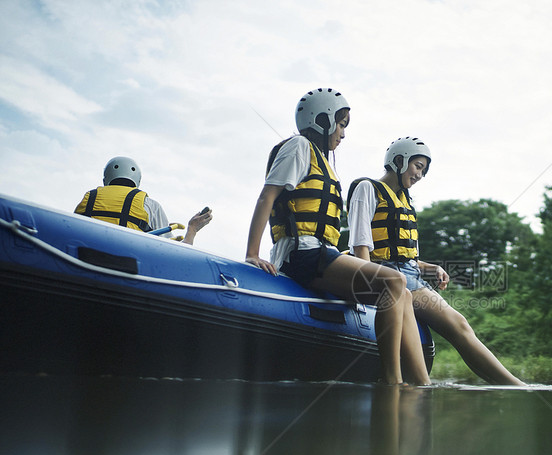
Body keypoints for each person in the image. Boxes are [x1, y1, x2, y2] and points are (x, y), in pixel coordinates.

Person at [244, 89, 430, 386]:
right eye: (341, 123)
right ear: (321, 120)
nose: (343, 133)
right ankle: (393, 381)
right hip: (301, 253)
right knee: (394, 282)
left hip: (321, 253)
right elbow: (268, 194)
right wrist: (252, 253)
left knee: (403, 293)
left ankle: (422, 385)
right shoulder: (298, 147)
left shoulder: (321, 160)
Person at [347, 137, 526, 386]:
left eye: (424, 170)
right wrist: (369, 289)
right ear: (399, 161)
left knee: (460, 324)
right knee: (458, 325)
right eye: (418, 166)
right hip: (389, 275)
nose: (420, 175)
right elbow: (361, 246)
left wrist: (430, 267)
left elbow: (407, 257)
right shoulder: (367, 188)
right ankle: (516, 386)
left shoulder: (406, 201)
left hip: (411, 274)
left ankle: (513, 385)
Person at [75, 156, 212, 244]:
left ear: (106, 179)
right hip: (125, 265)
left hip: (81, 259)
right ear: (138, 181)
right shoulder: (151, 206)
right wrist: (192, 229)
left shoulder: (88, 198)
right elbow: (176, 253)